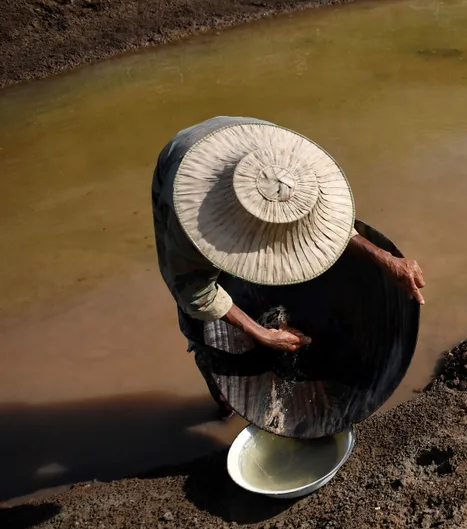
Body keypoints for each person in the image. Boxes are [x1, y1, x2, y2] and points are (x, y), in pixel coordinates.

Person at [152, 116, 425, 418]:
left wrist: (384, 257)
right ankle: (225, 400)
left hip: (248, 146)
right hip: (185, 163)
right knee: (200, 323)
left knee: (290, 241)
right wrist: (261, 334)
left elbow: (328, 227)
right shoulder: (186, 217)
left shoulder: (295, 174)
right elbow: (195, 292)